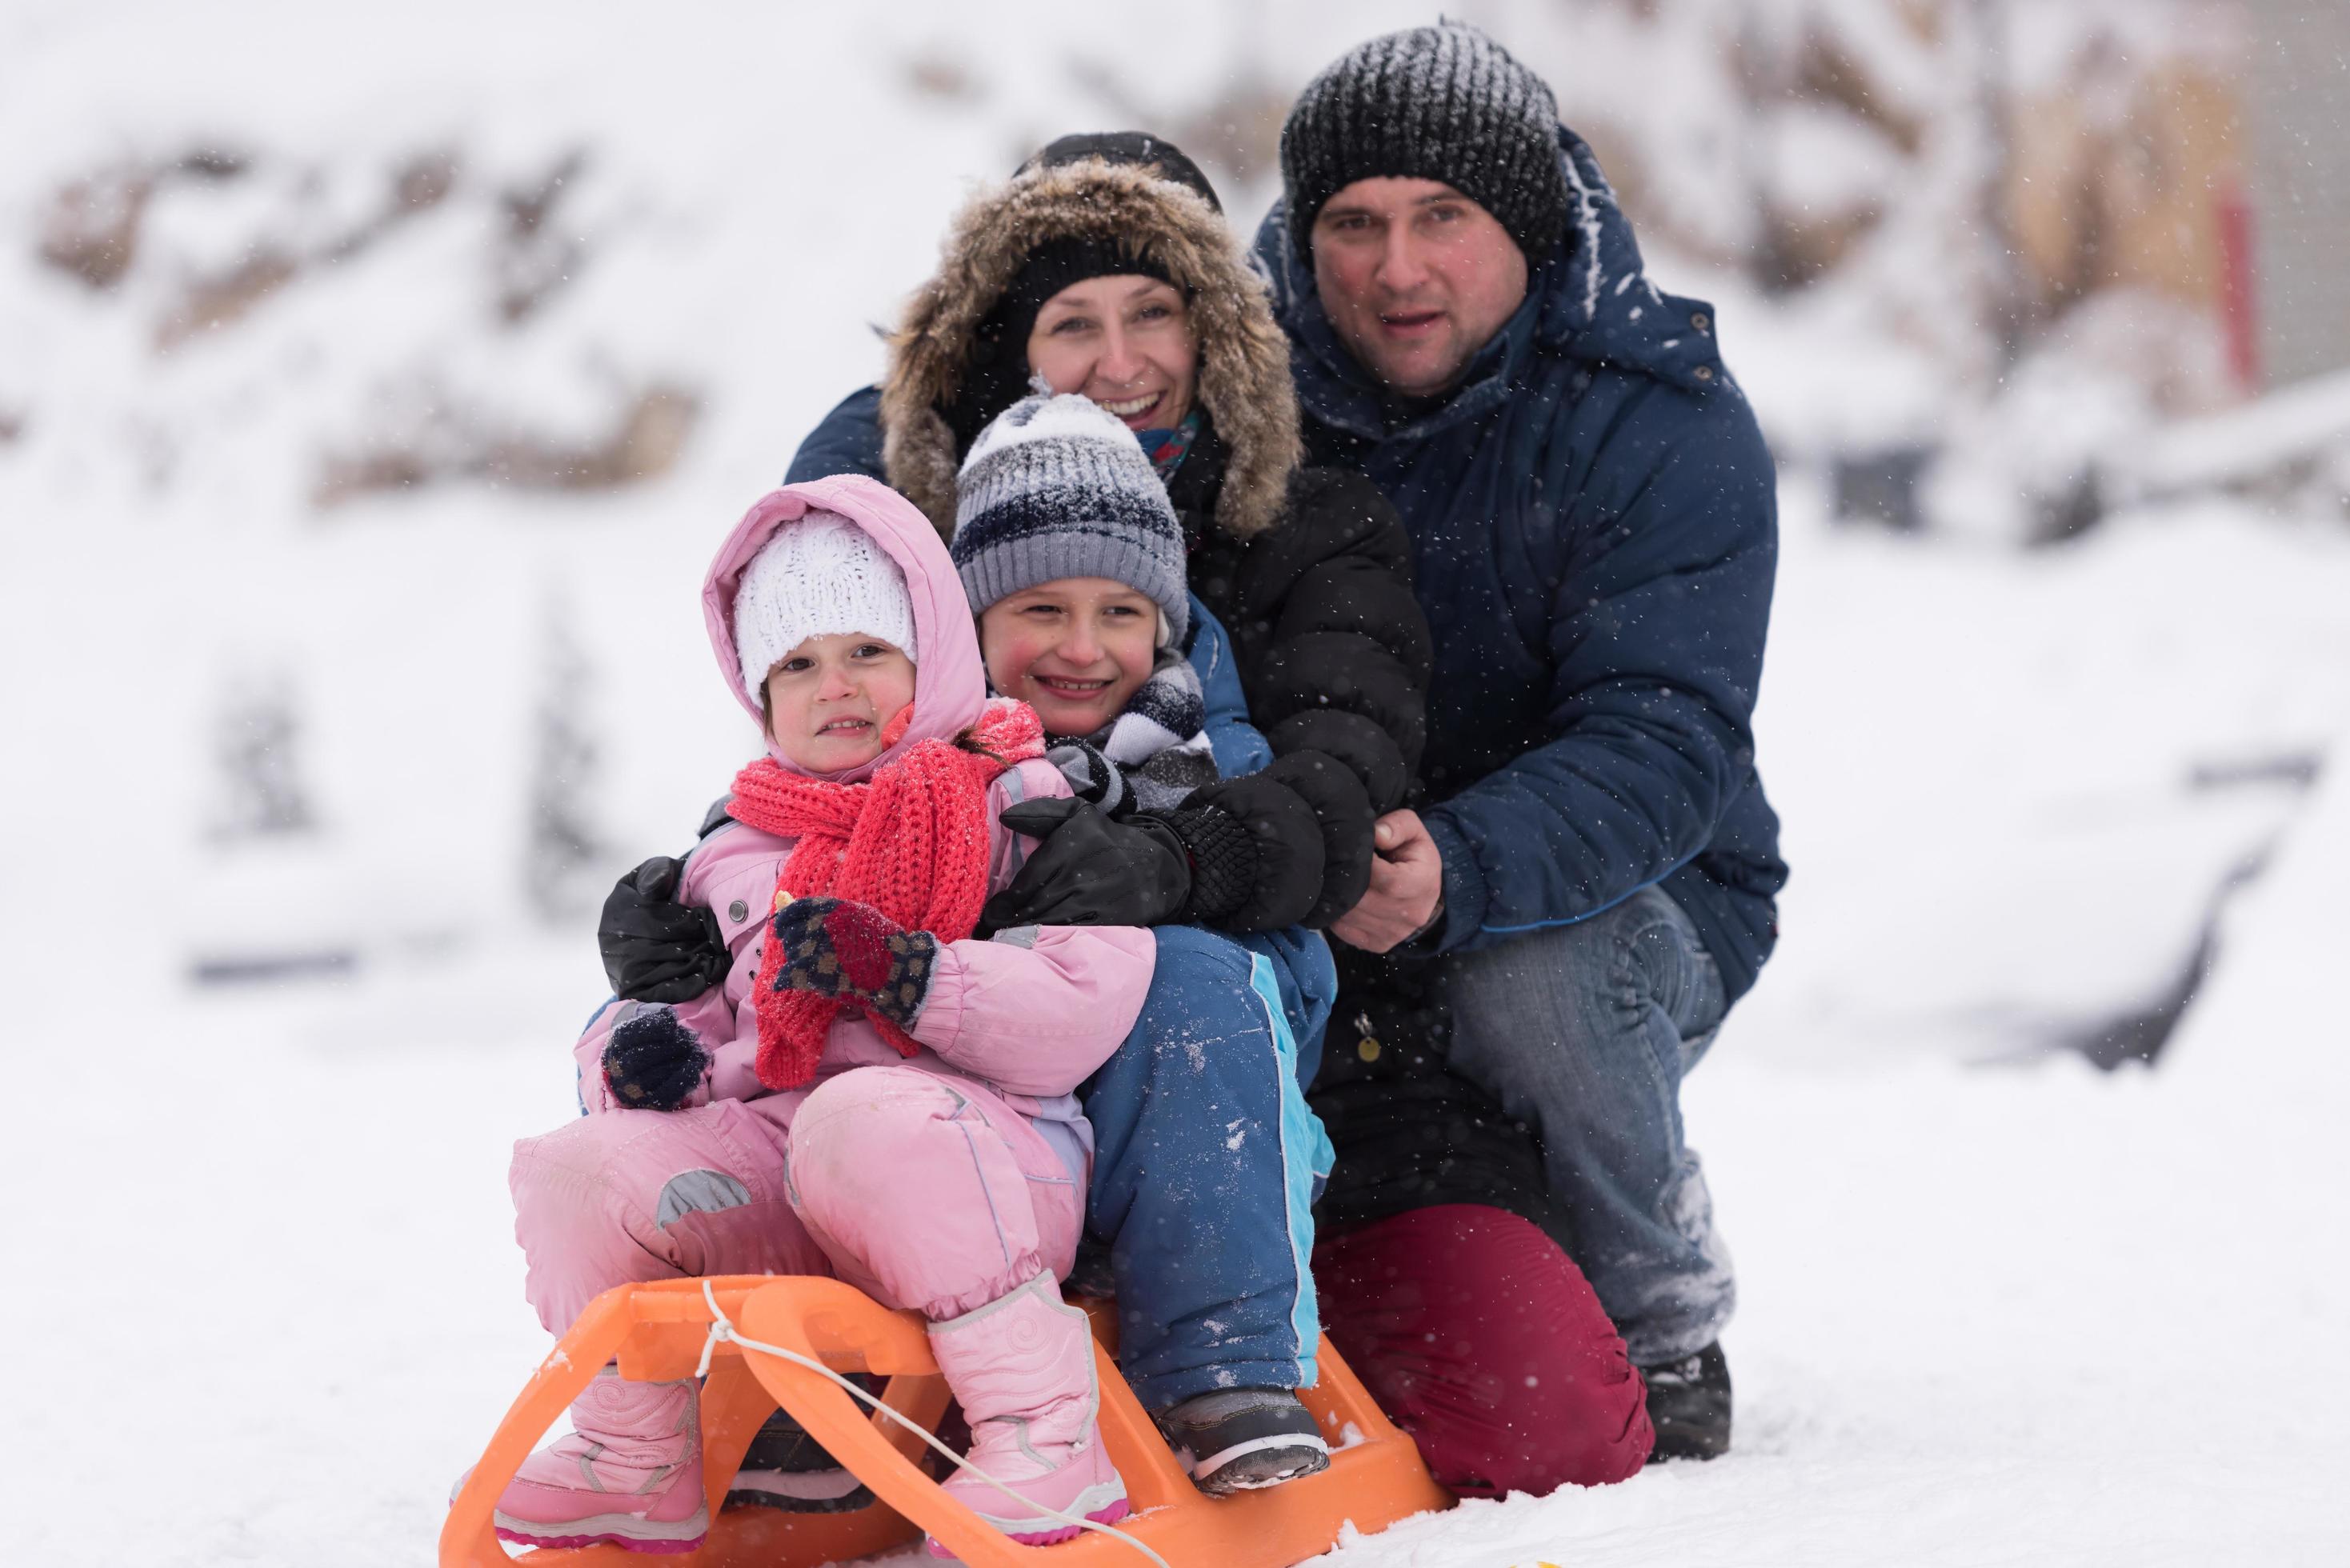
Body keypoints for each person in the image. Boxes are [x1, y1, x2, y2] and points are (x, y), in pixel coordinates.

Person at [1260, 22, 1790, 1466]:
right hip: (1329, 867)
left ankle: (1657, 1315)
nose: (1395, 268)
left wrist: (1462, 863)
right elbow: (988, 388)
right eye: (1352, 225)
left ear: (1528, 222)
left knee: (1527, 980)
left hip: (1643, 888)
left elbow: (1663, 738)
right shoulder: (1248, 393)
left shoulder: (1653, 416)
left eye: (1444, 218)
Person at [486, 477, 1155, 1555]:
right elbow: (689, 1024)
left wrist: (911, 978)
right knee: (582, 1166)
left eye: (864, 652)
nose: (831, 685)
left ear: (928, 657)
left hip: (984, 1162)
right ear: (757, 692)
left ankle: (1043, 1437)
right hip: (781, 1175)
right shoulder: (731, 849)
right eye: (795, 664)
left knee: (868, 1122)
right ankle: (632, 1453)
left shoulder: (1018, 803)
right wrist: (645, 1057)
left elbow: (1084, 1002)